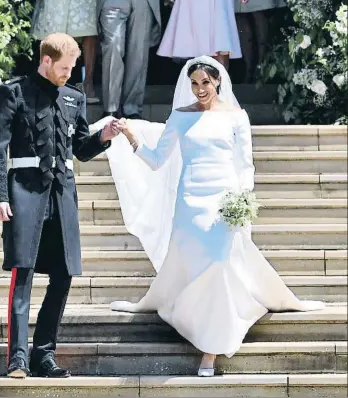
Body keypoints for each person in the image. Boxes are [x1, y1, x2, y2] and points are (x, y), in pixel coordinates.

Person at [104, 56, 324, 376]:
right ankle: (198, 324)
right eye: (194, 84)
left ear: (217, 81)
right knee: (200, 269)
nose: (199, 89)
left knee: (219, 264)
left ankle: (210, 351)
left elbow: (245, 164)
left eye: (205, 83)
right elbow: (155, 160)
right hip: (190, 203)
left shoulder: (237, 116)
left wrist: (242, 202)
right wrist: (131, 137)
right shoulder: (181, 117)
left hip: (224, 202)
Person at [0, 33, 119, 379]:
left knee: (62, 275)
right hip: (25, 194)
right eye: (64, 67)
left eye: (73, 67)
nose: (69, 73)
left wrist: (103, 138)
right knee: (23, 273)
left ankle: (43, 354)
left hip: (63, 197)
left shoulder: (74, 97)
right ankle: (17, 358)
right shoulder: (13, 93)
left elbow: (81, 150)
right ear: (46, 60)